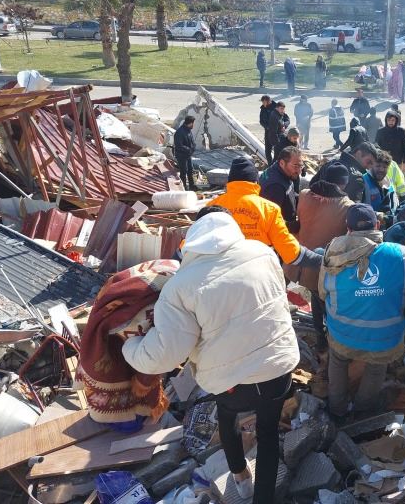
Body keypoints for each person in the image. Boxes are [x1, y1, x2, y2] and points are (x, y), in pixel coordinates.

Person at [121, 207, 299, 504]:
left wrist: (130, 348)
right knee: (268, 435)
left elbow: (166, 353)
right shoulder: (263, 252)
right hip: (277, 368)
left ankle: (241, 477)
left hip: (231, 384)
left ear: (193, 239)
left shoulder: (180, 286)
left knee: (227, 418)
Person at [319, 204, 405, 420]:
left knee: (338, 360)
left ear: (348, 229)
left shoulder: (333, 254)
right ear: (378, 225)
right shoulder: (401, 255)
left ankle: (337, 409)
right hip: (385, 338)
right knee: (377, 367)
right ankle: (363, 411)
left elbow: (323, 293)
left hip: (342, 334)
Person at [284, 162, 354, 348]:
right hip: (322, 268)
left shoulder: (305, 195)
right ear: (343, 184)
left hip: (297, 263)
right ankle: (330, 346)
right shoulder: (347, 206)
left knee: (315, 298)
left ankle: (320, 340)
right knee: (328, 307)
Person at [207, 157, 320, 268]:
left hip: (219, 270)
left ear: (230, 181)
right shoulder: (269, 209)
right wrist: (320, 260)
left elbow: (194, 243)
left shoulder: (211, 207)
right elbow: (290, 251)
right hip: (258, 271)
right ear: (255, 181)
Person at [312, 141, 378, 203]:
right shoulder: (357, 177)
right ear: (358, 153)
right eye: (369, 162)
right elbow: (354, 208)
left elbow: (312, 186)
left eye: (372, 164)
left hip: (316, 211)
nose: (369, 167)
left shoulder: (330, 163)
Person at [259, 146, 303, 233]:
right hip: (278, 237)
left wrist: (306, 199)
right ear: (282, 163)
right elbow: (270, 221)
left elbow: (289, 193)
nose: (298, 171)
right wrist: (296, 226)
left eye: (301, 166)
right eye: (295, 166)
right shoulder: (275, 187)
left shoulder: (281, 172)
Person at [363, 149, 398, 218]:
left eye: (384, 167)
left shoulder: (388, 183)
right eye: (378, 166)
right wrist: (376, 215)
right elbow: (357, 208)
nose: (381, 170)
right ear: (371, 165)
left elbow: (395, 204)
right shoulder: (363, 182)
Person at [173, 116, 196, 191]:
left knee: (190, 170)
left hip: (188, 155)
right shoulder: (180, 132)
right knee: (183, 171)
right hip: (181, 155)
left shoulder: (188, 130)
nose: (193, 125)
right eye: (192, 123)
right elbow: (179, 145)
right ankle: (183, 187)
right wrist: (189, 149)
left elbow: (191, 140)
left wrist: (193, 147)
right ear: (189, 123)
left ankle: (192, 186)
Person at [265, 101, 288, 165]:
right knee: (276, 158)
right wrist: (277, 143)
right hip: (276, 140)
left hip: (279, 139)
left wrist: (284, 125)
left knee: (277, 158)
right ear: (277, 108)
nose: (283, 110)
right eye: (281, 109)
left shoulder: (280, 113)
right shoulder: (274, 116)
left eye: (283, 109)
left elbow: (288, 119)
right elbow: (273, 132)